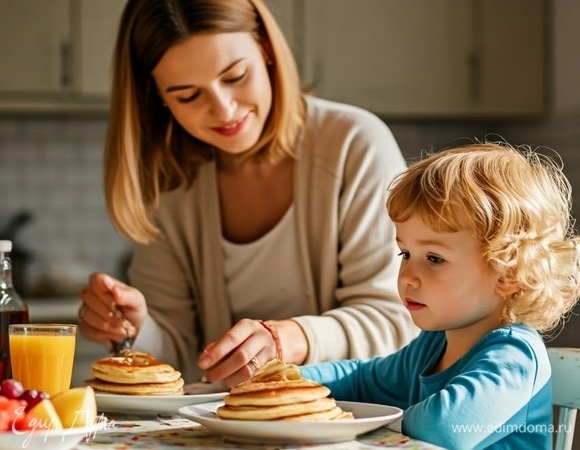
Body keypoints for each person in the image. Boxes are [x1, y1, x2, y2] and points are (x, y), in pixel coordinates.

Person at [76, 0, 418, 386]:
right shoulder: (171, 179)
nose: (223, 110)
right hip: (224, 426)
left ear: (267, 50)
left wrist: (290, 339)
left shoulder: (355, 145)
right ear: (157, 96)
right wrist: (136, 327)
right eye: (188, 96)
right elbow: (177, 350)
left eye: (236, 76)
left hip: (349, 417)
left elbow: (396, 319)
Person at [301, 142, 580, 449]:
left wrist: (377, 420)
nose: (407, 276)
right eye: (405, 253)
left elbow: (443, 428)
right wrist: (285, 381)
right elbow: (361, 379)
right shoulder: (432, 346)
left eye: (434, 258)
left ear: (509, 273)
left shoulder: (515, 357)